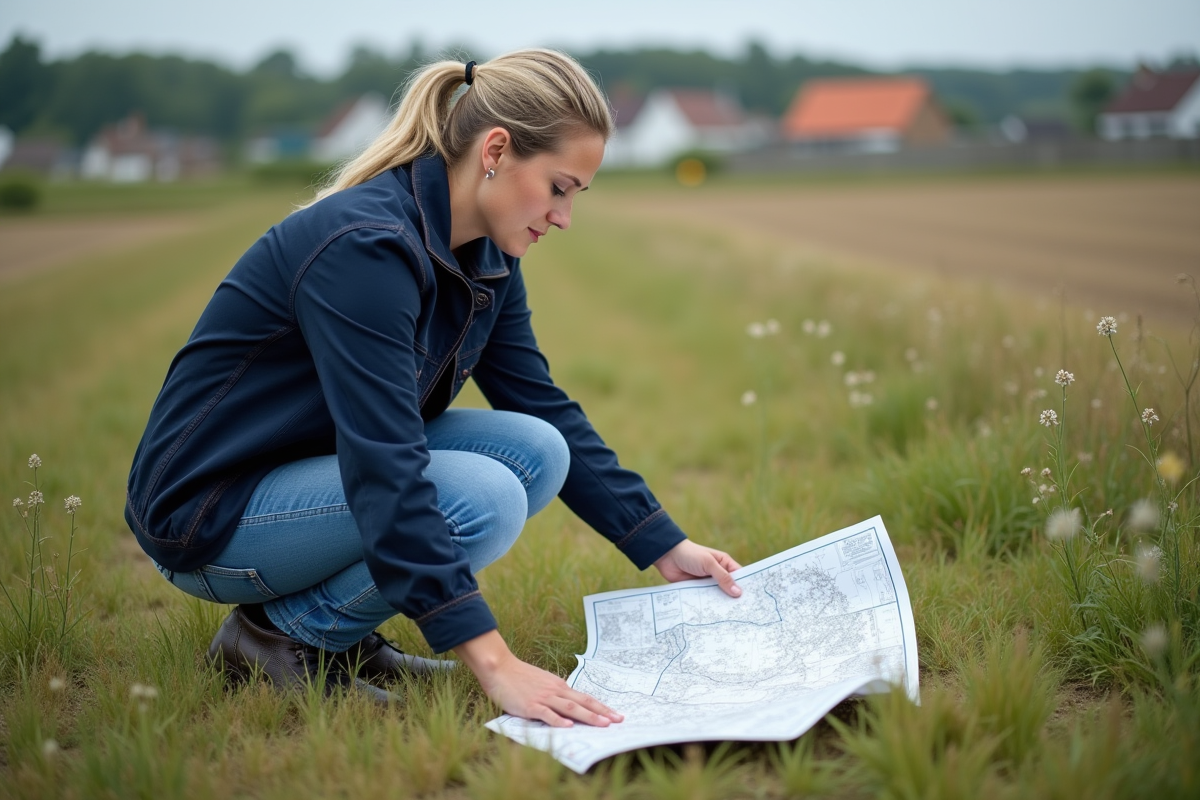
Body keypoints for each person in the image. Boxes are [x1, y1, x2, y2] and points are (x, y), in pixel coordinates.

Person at [125, 48, 742, 728]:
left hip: (309, 470)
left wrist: (661, 544)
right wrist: (496, 665)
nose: (564, 217)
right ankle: (278, 637)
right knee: (483, 498)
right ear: (497, 150)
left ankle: (340, 637)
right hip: (210, 511)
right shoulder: (366, 249)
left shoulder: (487, 253)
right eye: (559, 188)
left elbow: (541, 403)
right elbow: (386, 465)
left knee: (538, 448)